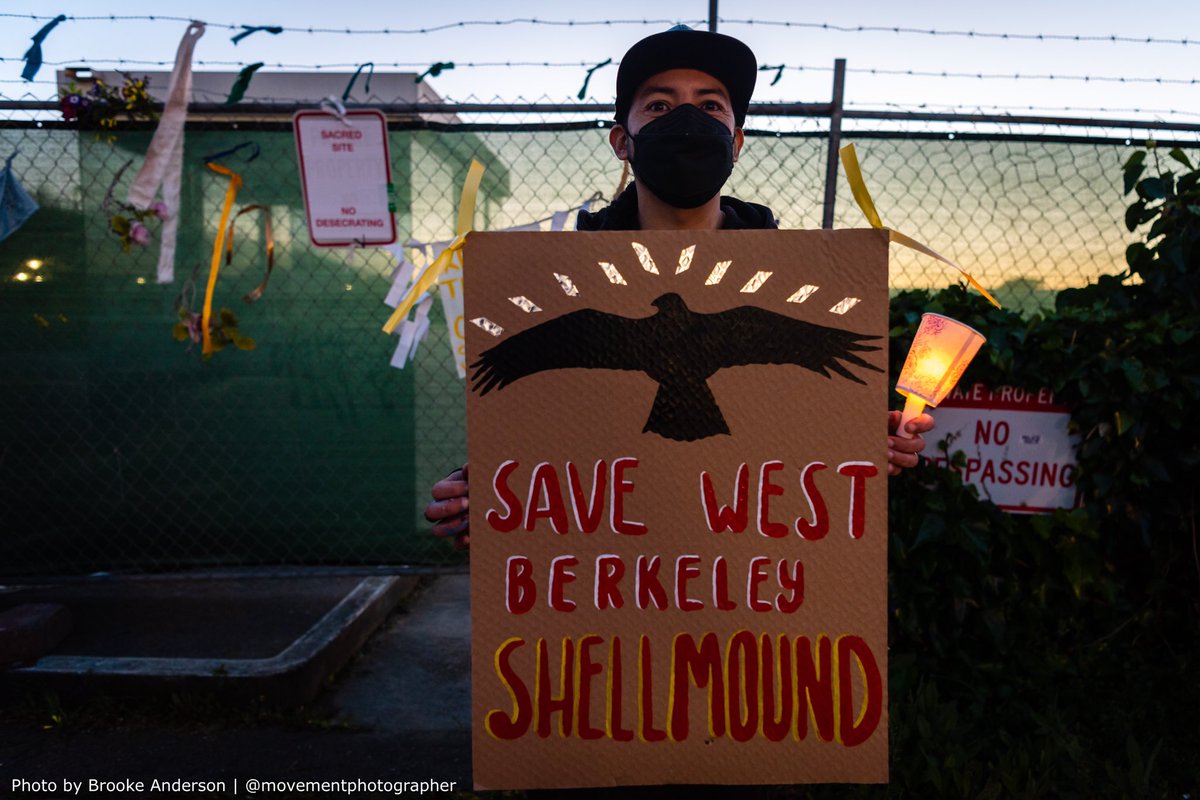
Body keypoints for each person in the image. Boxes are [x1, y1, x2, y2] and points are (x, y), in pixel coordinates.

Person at [426, 26, 934, 547]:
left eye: (711, 106)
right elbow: (544, 420)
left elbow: (793, 421)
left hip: (743, 566)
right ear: (623, 141)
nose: (689, 120)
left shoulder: (795, 280)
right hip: (613, 566)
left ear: (736, 142)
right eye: (660, 107)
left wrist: (857, 435)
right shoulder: (558, 282)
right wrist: (487, 489)